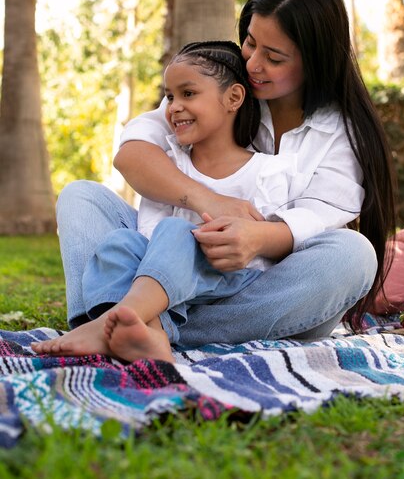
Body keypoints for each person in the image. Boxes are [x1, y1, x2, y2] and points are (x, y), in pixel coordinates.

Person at [34, 0, 396, 359]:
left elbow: (315, 219)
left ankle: (126, 325)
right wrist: (212, 201)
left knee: (354, 253)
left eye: (273, 57)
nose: (253, 64)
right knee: (82, 197)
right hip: (161, 268)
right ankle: (126, 322)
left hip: (256, 292)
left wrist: (255, 237)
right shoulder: (217, 92)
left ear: (315, 61)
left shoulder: (342, 133)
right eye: (251, 43)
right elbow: (133, 152)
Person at [32, 40, 297, 361]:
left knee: (176, 231)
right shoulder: (168, 162)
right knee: (122, 243)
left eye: (188, 94)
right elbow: (148, 232)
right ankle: (147, 332)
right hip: (156, 280)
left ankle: (106, 324)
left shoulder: (268, 171)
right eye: (170, 96)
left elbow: (259, 253)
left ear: (234, 97)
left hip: (227, 283)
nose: (173, 106)